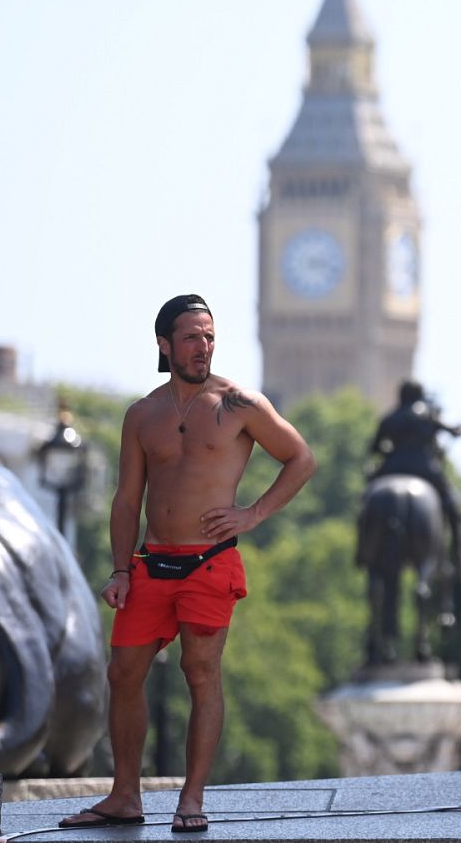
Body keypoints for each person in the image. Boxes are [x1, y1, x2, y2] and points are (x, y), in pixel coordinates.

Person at [59, 294, 316, 833]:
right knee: (122, 672)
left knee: (200, 673)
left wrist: (254, 514)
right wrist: (120, 568)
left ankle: (191, 799)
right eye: (193, 337)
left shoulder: (239, 402)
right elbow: (127, 499)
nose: (204, 346)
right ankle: (125, 796)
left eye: (210, 336)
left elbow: (300, 458)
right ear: (164, 345)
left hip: (210, 562)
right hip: (151, 564)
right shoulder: (142, 414)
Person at [369, 379, 461, 549]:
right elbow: (454, 431)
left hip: (392, 467)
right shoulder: (428, 415)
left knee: (366, 499)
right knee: (451, 503)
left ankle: (364, 548)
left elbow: (375, 448)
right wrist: (459, 429)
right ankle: (459, 551)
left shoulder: (390, 418)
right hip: (424, 467)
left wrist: (390, 452)